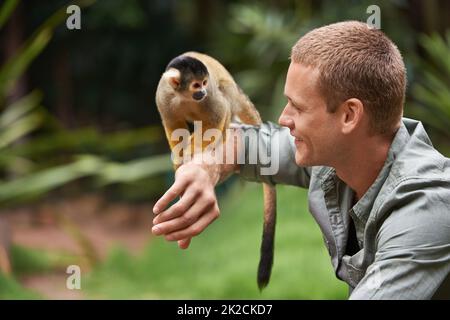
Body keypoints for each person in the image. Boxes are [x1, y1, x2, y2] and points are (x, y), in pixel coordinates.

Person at [151, 21, 450, 299]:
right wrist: (204, 168)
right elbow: (243, 143)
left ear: (349, 115)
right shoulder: (338, 158)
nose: (283, 118)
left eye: (297, 106)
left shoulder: (424, 212)